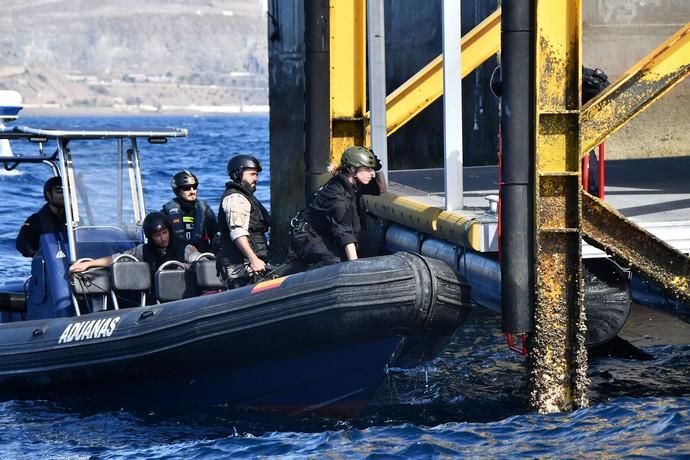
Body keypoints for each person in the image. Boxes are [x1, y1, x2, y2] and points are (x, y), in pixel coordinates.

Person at [289, 145, 386, 268]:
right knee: (336, 261)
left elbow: (381, 188)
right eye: (367, 169)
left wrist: (378, 169)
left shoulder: (353, 184)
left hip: (325, 234)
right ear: (352, 169)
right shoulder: (336, 197)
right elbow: (345, 234)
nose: (371, 174)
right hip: (307, 238)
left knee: (371, 243)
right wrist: (355, 268)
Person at [69, 212, 201, 277]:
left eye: (165, 233)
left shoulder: (185, 249)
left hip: (184, 299)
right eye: (157, 235)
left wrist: (191, 265)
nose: (162, 238)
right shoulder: (143, 251)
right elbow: (117, 258)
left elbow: (201, 260)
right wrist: (89, 264)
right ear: (150, 237)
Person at [215, 154, 271, 288]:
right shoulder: (236, 198)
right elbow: (238, 233)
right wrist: (254, 259)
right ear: (238, 174)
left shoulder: (246, 198)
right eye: (252, 174)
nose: (256, 178)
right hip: (241, 266)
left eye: (256, 175)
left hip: (253, 263)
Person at [160, 170, 218, 253]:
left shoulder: (206, 211)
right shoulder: (166, 213)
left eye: (194, 187)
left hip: (203, 260)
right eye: (186, 188)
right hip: (176, 259)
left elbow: (216, 237)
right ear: (178, 190)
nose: (192, 191)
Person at [16, 176, 67, 258]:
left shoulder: (74, 218)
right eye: (59, 190)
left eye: (68, 191)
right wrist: (35, 254)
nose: (64, 195)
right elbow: (22, 243)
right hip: (49, 263)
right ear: (48, 194)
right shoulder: (35, 220)